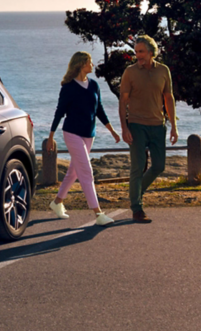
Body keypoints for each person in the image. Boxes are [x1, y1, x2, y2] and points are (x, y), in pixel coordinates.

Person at [47, 51, 121, 226]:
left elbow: (99, 110)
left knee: (73, 171)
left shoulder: (94, 85)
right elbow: (59, 112)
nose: (92, 65)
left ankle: (57, 203)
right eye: (90, 62)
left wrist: (112, 130)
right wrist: (51, 136)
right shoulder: (68, 87)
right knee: (86, 172)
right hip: (72, 133)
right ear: (81, 64)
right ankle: (98, 213)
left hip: (89, 134)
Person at [119, 34, 178, 223]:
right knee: (137, 167)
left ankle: (137, 190)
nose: (138, 55)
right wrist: (124, 127)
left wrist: (173, 127)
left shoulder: (163, 70)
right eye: (136, 52)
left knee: (159, 166)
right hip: (136, 125)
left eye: (141, 52)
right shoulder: (130, 72)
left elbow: (168, 98)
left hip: (157, 125)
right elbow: (123, 101)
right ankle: (137, 208)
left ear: (151, 52)